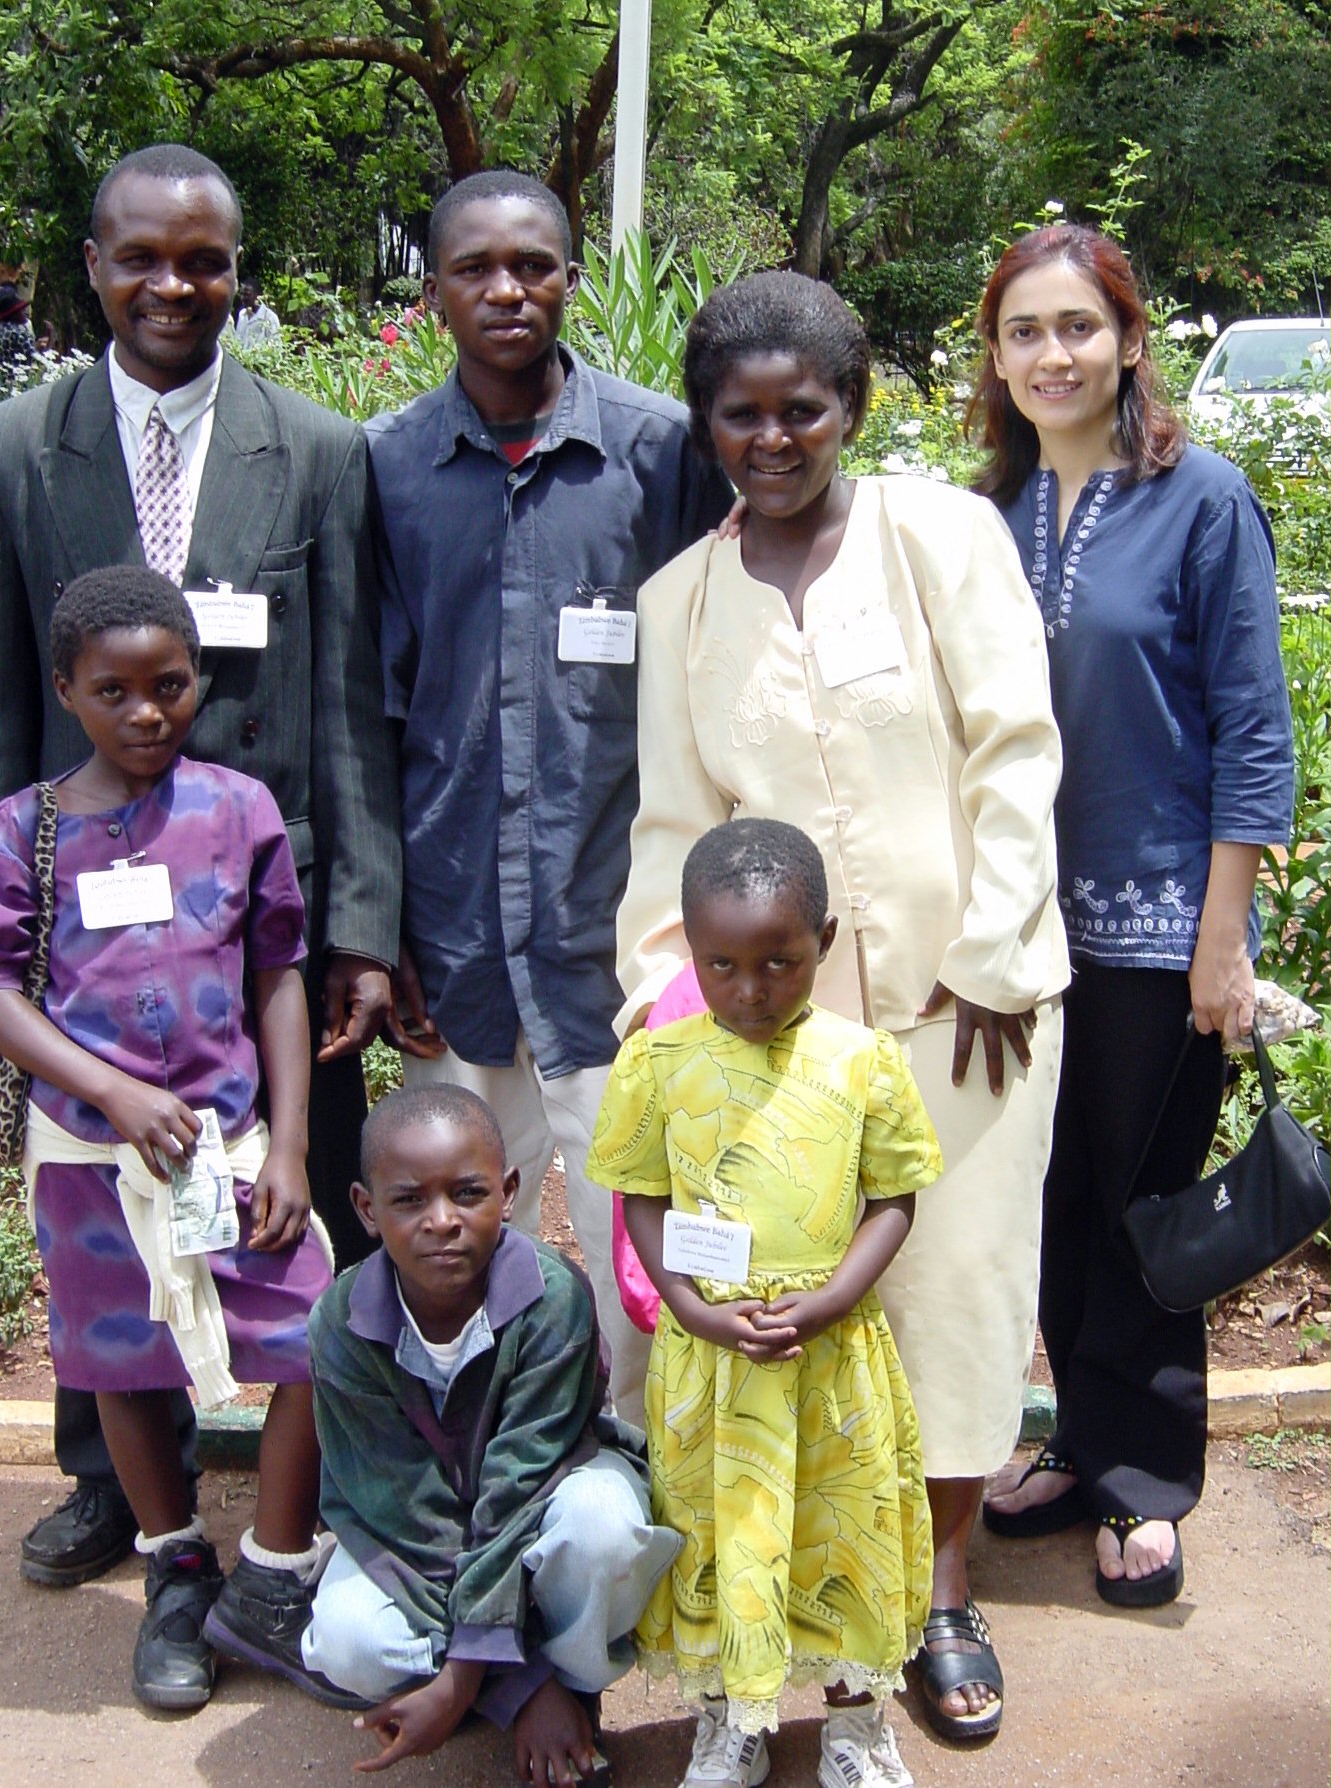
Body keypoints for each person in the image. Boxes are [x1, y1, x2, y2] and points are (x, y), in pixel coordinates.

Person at [613, 270, 1069, 1744]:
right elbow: (672, 831)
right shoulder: (680, 600)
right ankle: (789, 1601)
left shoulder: (940, 534)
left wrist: (995, 953)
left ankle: (937, 1590)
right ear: (705, 425)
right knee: (784, 1305)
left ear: (850, 407)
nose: (771, 438)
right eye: (738, 415)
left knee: (954, 1293)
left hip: (964, 1007)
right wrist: (658, 998)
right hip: (771, 1034)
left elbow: (1014, 746)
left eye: (800, 409)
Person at [0, 143, 397, 1595]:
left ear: (236, 273)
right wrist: (14, 920)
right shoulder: (16, 446)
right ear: (92, 261)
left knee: (290, 1202)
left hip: (261, 931)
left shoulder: (319, 449)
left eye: (202, 260)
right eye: (142, 255)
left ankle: (303, 1498)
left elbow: (345, 707)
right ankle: (109, 1481)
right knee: (99, 1204)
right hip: (88, 937)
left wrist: (359, 929)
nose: (172, 284)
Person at [369, 169, 732, 1426]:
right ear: (434, 295)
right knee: (460, 1232)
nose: (507, 290)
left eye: (533, 264)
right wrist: (379, 929)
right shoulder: (391, 470)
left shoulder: (657, 456)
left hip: (614, 940)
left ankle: (636, 1465)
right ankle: (472, 1457)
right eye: (476, 268)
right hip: (454, 940)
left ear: (571, 277)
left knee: (646, 1241)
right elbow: (374, 716)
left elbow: (714, 679)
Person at [0, 567, 352, 1713]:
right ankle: (176, 1565)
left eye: (169, 686)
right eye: (114, 691)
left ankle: (272, 1578)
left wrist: (283, 1145)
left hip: (227, 1145)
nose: (146, 714)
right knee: (120, 1364)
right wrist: (114, 1094)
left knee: (313, 1337)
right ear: (67, 689)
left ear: (199, 680)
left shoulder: (237, 811)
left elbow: (278, 970)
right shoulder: (21, 831)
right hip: (91, 1155)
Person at [970, 226, 1294, 1606]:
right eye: (1025, 331)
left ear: (1129, 340)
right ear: (995, 356)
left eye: (1077, 327)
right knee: (1040, 1203)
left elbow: (1255, 732)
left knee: (1141, 1208)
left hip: (1164, 930)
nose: (1053, 354)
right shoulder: (987, 516)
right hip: (1017, 931)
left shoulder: (1201, 498)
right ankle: (1086, 1444)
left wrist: (1224, 940)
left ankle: (1145, 1483)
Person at [587, 819, 939, 1788]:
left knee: (840, 1534)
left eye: (780, 963)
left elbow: (893, 1197)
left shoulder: (862, 1062)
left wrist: (831, 1300)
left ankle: (855, 1721)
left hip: (828, 1358)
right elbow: (640, 1197)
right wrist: (690, 1309)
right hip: (712, 1361)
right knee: (714, 1532)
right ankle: (730, 1717)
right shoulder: (657, 1066)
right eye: (721, 965)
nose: (749, 991)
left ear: (824, 943)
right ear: (691, 954)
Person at [302, 1083, 679, 1781]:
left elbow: (521, 1490)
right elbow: (407, 1518)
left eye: (468, 1194)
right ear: (365, 1208)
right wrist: (516, 1686)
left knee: (602, 1529)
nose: (441, 1221)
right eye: (409, 1200)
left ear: (508, 1193)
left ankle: (570, 1681)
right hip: (417, 1540)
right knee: (349, 1640)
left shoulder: (550, 1296)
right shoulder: (342, 1322)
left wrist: (471, 1672)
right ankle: (528, 1687)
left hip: (543, 1501)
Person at [234, 279, 282, 348]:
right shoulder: (242, 315)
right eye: (241, 294)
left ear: (257, 296)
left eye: (247, 295)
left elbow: (276, 345)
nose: (243, 298)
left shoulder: (268, 317)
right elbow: (237, 340)